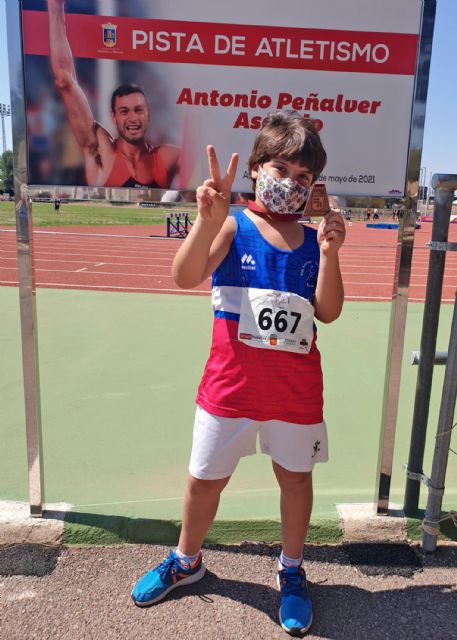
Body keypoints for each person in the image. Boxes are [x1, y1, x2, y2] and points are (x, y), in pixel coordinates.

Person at [131, 111, 346, 636]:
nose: (290, 184)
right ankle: (187, 561)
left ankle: (292, 572)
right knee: (204, 482)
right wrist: (207, 220)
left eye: (302, 178)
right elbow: (183, 276)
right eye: (280, 169)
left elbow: (329, 311)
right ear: (256, 169)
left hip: (294, 394)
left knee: (295, 481)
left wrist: (332, 254)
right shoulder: (234, 226)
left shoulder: (314, 239)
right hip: (229, 391)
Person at [47, 0, 180, 188]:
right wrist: (55, 6)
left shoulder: (166, 157)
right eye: (124, 111)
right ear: (114, 117)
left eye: (138, 110)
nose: (133, 117)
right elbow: (64, 79)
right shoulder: (102, 154)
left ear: (148, 115)